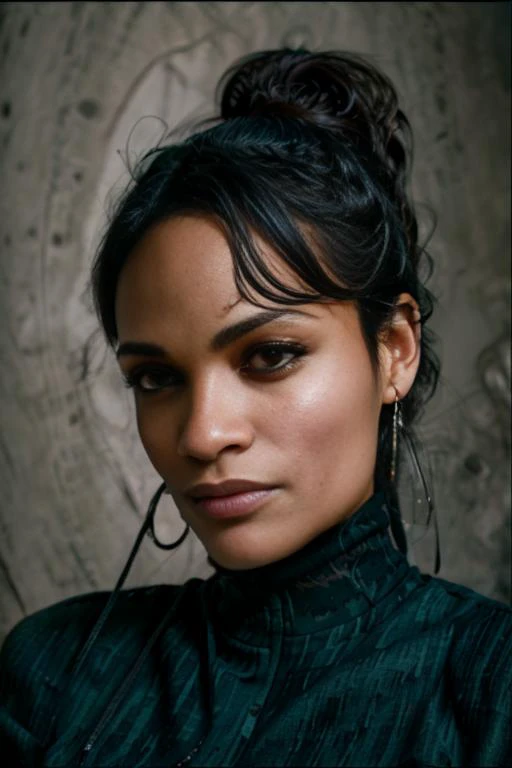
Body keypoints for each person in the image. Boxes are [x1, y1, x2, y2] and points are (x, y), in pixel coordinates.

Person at [0, 48, 510, 768]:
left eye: (269, 355)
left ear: (393, 350)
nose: (203, 434)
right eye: (156, 378)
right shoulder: (52, 675)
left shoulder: (491, 692)